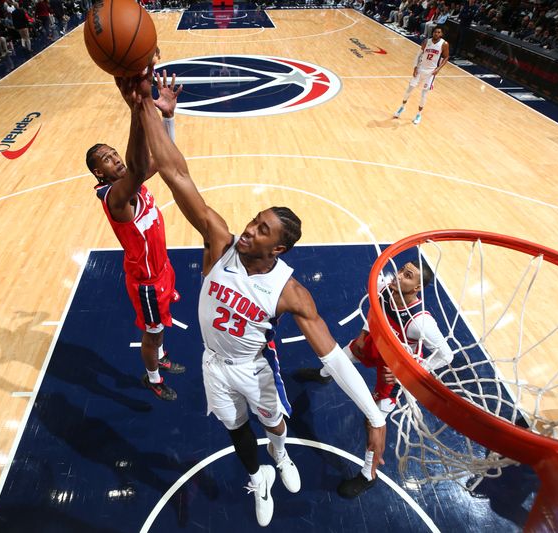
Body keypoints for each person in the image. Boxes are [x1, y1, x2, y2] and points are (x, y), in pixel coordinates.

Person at [122, 70, 388, 527]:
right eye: (253, 220)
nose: (248, 230)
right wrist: (151, 109)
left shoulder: (289, 292)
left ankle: (281, 456)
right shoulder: (219, 242)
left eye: (262, 230)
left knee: (272, 425)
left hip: (255, 368)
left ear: (279, 248)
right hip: (212, 364)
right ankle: (259, 475)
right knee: (234, 428)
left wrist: (374, 417)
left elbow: (336, 359)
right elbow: (174, 173)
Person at [296, 260, 454, 492]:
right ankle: (322, 375)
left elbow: (446, 355)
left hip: (394, 367)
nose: (399, 276)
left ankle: (368, 475)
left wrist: (405, 373)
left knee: (375, 422)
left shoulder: (421, 322)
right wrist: (363, 333)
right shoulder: (385, 287)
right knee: (339, 358)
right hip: (374, 343)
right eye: (401, 270)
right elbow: (375, 311)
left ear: (417, 288)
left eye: (407, 276)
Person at [85, 69, 186, 401]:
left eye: (115, 154)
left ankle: (160, 355)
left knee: (159, 331)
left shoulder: (132, 181)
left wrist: (167, 117)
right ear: (99, 173)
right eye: (109, 160)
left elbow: (165, 160)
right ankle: (152, 377)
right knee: (151, 334)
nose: (116, 161)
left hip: (162, 268)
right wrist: (137, 110)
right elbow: (141, 165)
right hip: (146, 282)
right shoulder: (115, 196)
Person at [393, 26, 449, 125]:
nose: (436, 34)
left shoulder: (444, 44)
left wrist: (438, 69)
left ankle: (419, 114)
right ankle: (402, 107)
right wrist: (415, 67)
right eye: (435, 32)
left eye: (439, 32)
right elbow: (419, 55)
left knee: (423, 94)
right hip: (420, 69)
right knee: (409, 89)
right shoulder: (426, 42)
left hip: (431, 73)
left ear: (441, 34)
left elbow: (446, 57)